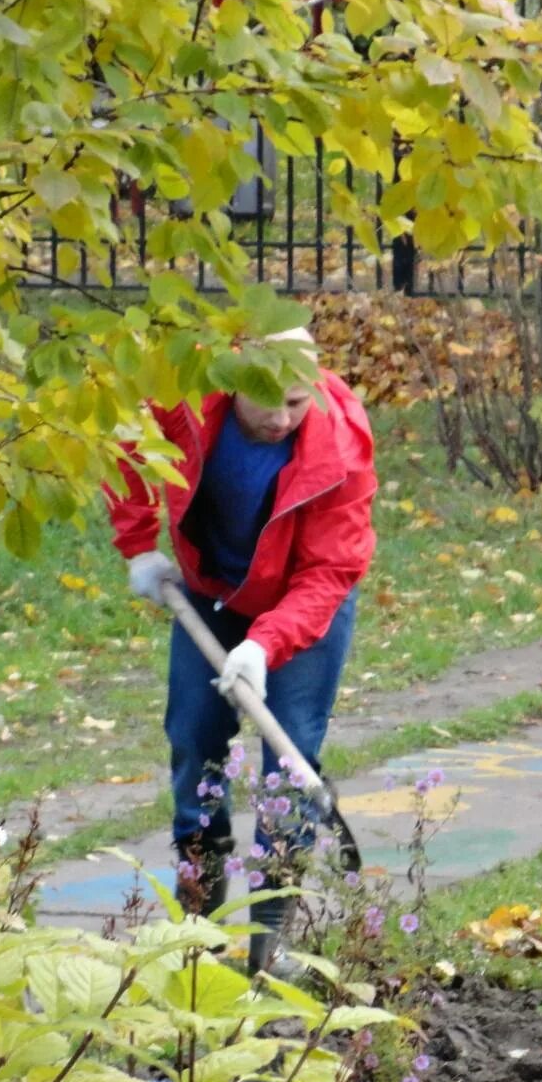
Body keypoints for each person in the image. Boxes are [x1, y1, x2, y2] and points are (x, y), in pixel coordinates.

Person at [105, 328, 376, 975]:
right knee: (195, 738)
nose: (281, 418)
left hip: (303, 603)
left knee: (290, 754)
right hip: (206, 592)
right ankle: (196, 926)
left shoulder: (340, 443)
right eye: (267, 401)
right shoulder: (188, 398)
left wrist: (267, 642)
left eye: (295, 402)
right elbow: (126, 437)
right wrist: (139, 543)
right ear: (233, 379)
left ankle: (269, 947)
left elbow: (331, 569)